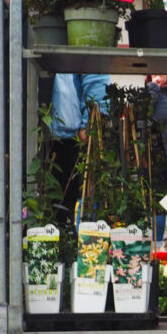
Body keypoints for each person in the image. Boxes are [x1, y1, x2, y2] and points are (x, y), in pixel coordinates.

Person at [49, 72, 108, 231]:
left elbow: (96, 76)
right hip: (36, 131)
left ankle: (68, 243)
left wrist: (89, 122)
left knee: (65, 204)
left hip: (67, 137)